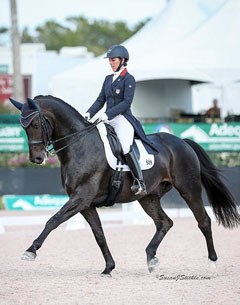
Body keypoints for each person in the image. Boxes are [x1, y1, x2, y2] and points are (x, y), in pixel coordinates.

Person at [84, 45, 156, 195]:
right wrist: (88, 113)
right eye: (109, 60)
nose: (111, 63)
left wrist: (107, 114)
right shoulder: (108, 79)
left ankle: (139, 181)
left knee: (124, 146)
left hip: (122, 118)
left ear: (122, 60)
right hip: (108, 118)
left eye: (113, 60)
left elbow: (126, 103)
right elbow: (100, 100)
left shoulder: (129, 79)